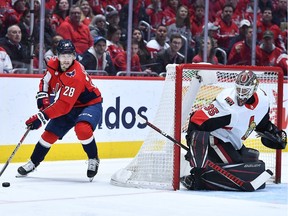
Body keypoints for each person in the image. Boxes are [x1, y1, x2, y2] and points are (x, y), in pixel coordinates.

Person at [181, 70, 287, 191]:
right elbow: (196, 119)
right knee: (238, 166)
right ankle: (196, 178)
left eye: (245, 90)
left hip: (233, 141)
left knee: (251, 161)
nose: (241, 94)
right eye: (239, 89)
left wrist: (273, 132)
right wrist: (194, 147)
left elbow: (260, 123)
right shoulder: (227, 105)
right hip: (215, 140)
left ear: (254, 89)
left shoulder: (262, 100)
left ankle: (211, 175)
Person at [17, 39, 103, 181]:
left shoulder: (76, 75)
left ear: (74, 56)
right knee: (49, 134)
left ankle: (93, 158)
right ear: (58, 56)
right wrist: (43, 97)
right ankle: (33, 162)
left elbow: (63, 105)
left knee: (82, 129)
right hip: (70, 104)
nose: (66, 59)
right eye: (63, 55)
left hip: (90, 104)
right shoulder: (52, 64)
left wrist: (41, 117)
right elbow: (45, 82)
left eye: (70, 56)